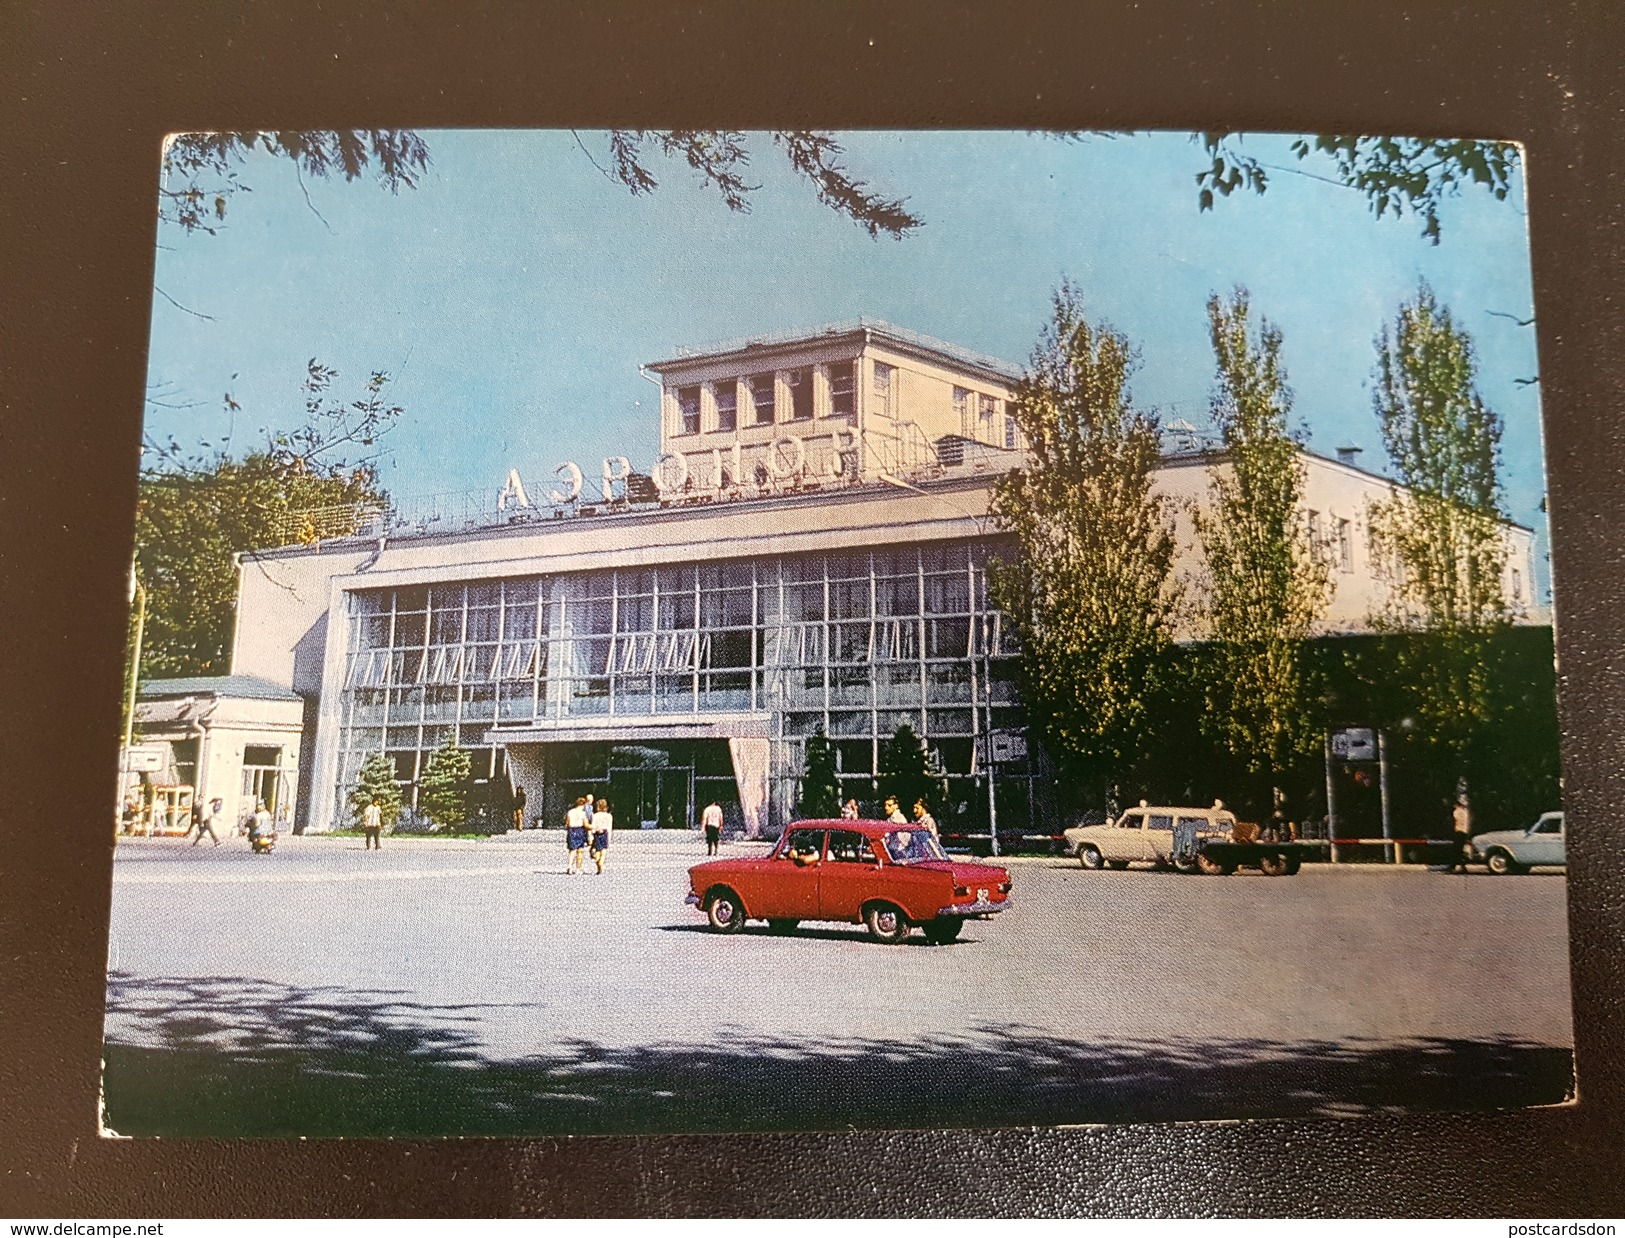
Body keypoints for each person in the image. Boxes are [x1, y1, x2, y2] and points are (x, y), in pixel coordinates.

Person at [1449, 792, 1473, 874]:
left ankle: (1453, 866)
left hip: (1458, 832)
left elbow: (1454, 821)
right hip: (1464, 832)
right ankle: (1461, 866)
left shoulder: (1457, 811)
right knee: (1459, 850)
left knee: (1456, 850)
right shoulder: (1465, 812)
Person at [565, 797, 590, 874]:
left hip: (572, 830)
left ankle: (569, 866)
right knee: (580, 851)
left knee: (572, 850)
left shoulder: (570, 812)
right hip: (580, 830)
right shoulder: (583, 814)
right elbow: (586, 824)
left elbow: (567, 823)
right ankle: (578, 869)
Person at [589, 798, 613, 873]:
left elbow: (593, 825)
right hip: (605, 833)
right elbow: (609, 827)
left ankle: (597, 860)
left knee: (598, 850)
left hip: (597, 833)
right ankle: (601, 863)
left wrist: (591, 834)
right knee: (604, 850)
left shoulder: (595, 815)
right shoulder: (609, 816)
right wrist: (609, 838)